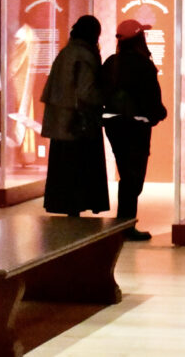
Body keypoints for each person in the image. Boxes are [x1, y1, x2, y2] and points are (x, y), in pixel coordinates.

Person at [100, 19, 167, 241]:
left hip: (113, 124)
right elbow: (153, 101)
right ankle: (125, 226)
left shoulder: (111, 62)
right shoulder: (144, 65)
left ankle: (124, 224)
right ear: (140, 39)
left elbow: (102, 93)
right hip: (136, 126)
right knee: (133, 177)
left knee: (126, 173)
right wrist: (158, 115)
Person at [39, 15, 109, 217]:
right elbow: (86, 92)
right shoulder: (85, 55)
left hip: (62, 124)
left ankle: (70, 210)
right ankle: (75, 210)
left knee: (64, 172)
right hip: (79, 125)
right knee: (78, 172)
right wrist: (106, 95)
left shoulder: (66, 52)